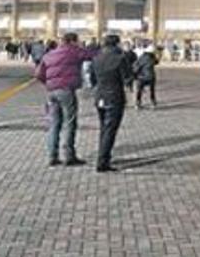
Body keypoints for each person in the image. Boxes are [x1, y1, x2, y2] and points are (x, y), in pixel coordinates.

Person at [36, 33, 92, 166]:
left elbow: (38, 74)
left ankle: (52, 156)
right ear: (73, 41)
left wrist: (50, 84)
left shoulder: (49, 54)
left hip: (51, 92)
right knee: (70, 122)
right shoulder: (73, 51)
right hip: (66, 90)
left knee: (54, 124)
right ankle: (69, 156)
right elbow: (92, 55)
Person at [90, 34, 132, 173]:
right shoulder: (120, 58)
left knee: (104, 128)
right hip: (114, 97)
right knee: (110, 130)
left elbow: (92, 78)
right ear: (117, 44)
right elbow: (127, 77)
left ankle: (103, 156)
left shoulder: (96, 58)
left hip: (99, 96)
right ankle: (102, 161)